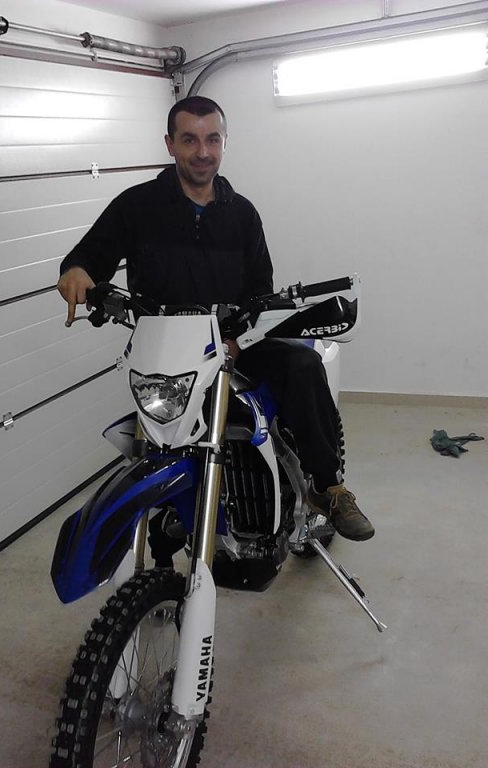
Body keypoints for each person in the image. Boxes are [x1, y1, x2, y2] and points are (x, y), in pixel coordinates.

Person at [57, 95, 375, 547]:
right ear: (170, 144)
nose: (202, 151)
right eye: (190, 140)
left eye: (212, 140)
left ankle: (329, 486)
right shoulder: (136, 206)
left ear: (225, 143)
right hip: (169, 350)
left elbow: (261, 291)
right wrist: (76, 271)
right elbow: (91, 255)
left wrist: (238, 342)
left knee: (302, 365)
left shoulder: (242, 214)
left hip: (235, 341)